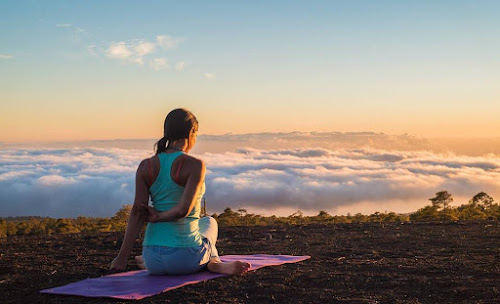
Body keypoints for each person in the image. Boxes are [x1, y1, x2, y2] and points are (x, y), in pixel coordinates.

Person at [110, 108, 251, 275]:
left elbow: (137, 213)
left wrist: (121, 258)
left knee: (201, 225)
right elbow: (183, 210)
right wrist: (159, 217)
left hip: (152, 259)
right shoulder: (195, 165)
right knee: (209, 222)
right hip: (184, 258)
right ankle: (215, 263)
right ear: (192, 132)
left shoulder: (145, 166)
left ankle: (202, 259)